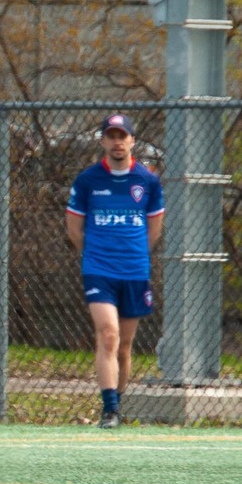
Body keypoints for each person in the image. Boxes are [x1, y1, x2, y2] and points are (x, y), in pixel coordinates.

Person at [65, 114, 165, 428]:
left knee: (124, 345)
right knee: (108, 334)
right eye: (111, 136)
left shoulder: (147, 181)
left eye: (123, 136)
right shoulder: (88, 180)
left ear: (132, 140)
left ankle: (118, 404)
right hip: (99, 269)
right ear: (103, 141)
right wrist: (97, 255)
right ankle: (108, 409)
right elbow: (74, 229)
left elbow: (154, 230)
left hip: (134, 270)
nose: (117, 142)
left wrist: (133, 254)